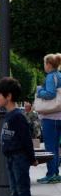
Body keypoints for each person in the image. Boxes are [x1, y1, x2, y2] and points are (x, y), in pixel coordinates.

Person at [0, 77, 37, 196]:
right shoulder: (9, 115)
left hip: (19, 157)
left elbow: (26, 140)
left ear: (9, 96)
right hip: (11, 157)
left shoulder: (18, 116)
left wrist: (32, 158)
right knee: (14, 190)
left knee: (22, 189)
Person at [35, 53, 61, 183]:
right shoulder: (60, 75)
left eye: (45, 63)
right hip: (59, 116)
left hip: (51, 117)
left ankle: (51, 174)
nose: (44, 66)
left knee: (50, 147)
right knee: (56, 147)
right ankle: (55, 173)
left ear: (49, 64)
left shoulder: (51, 76)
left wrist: (40, 91)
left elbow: (50, 94)